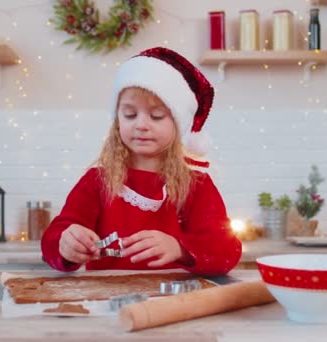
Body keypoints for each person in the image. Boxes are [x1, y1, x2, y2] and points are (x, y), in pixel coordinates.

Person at [41, 47, 242, 276]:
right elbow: (54, 238)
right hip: (108, 303)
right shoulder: (96, 182)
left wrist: (179, 248)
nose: (141, 125)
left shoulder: (197, 185)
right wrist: (65, 243)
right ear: (117, 121)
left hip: (173, 306)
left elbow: (227, 251)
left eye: (156, 116)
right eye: (129, 114)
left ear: (179, 124)